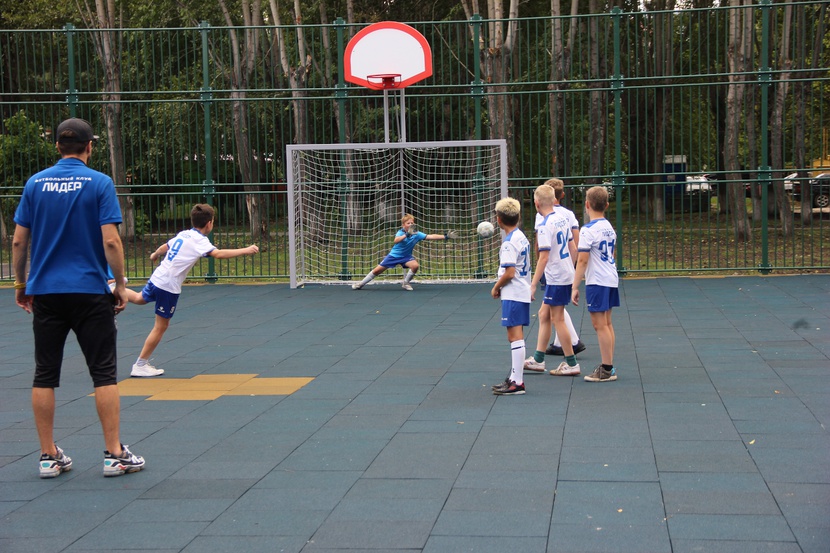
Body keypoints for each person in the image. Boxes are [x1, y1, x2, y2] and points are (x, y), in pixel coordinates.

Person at [12, 117, 145, 478]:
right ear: (90, 147)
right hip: (89, 291)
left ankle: (47, 456)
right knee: (103, 374)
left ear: (57, 146)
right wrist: (120, 284)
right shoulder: (99, 182)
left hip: (47, 292)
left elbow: (19, 241)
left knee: (45, 374)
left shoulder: (35, 183)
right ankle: (114, 454)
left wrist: (21, 283)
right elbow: (111, 241)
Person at [123, 204, 259, 377]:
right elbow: (218, 254)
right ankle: (140, 365)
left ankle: (112, 289)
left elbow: (166, 246)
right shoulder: (200, 240)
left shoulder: (184, 233)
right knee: (161, 326)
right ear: (209, 224)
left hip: (159, 276)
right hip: (168, 285)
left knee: (139, 298)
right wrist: (246, 250)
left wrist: (155, 254)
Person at [524, 184, 581, 376]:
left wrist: (533, 284)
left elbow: (544, 257)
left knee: (558, 318)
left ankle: (571, 363)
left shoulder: (544, 226)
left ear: (536, 203)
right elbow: (573, 248)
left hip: (556, 277)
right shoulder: (562, 219)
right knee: (544, 314)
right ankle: (538, 359)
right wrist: (571, 272)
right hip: (564, 273)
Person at [571, 186, 620, 382]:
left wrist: (574, 286)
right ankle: (609, 366)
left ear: (587, 204)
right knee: (606, 323)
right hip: (610, 277)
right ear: (606, 205)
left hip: (598, 281)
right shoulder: (609, 227)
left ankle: (606, 368)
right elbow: (611, 253)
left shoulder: (588, 230)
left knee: (599, 325)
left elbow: (582, 260)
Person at [490, 197, 531, 396]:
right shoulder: (520, 236)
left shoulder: (509, 243)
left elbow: (510, 272)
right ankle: (515, 378)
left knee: (515, 337)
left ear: (499, 219)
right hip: (520, 290)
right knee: (515, 336)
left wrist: (496, 286)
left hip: (514, 292)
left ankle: (518, 382)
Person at [352, 214, 456, 291]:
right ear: (403, 225)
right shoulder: (400, 232)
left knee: (415, 266)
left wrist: (446, 236)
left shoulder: (417, 234)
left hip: (406, 257)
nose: (410, 224)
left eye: (412, 223)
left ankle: (406, 283)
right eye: (408, 223)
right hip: (394, 256)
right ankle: (361, 284)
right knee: (377, 271)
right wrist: (406, 235)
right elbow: (396, 240)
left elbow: (430, 236)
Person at [545, 179, 586, 356]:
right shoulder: (568, 214)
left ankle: (573, 342)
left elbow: (541, 244)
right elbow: (576, 241)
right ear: (562, 195)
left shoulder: (543, 215)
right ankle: (558, 343)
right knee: (555, 306)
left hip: (553, 266)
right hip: (567, 263)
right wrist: (573, 264)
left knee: (555, 307)